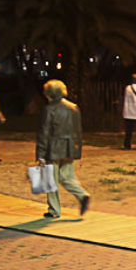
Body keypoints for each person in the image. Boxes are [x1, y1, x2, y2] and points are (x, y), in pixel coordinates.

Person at [36, 79, 90, 218]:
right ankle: (82, 194)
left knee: (50, 179)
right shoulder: (73, 107)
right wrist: (77, 149)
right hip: (69, 147)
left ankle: (54, 209)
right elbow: (78, 130)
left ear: (48, 94)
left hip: (53, 148)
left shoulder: (49, 109)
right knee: (67, 176)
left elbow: (44, 132)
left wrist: (40, 154)